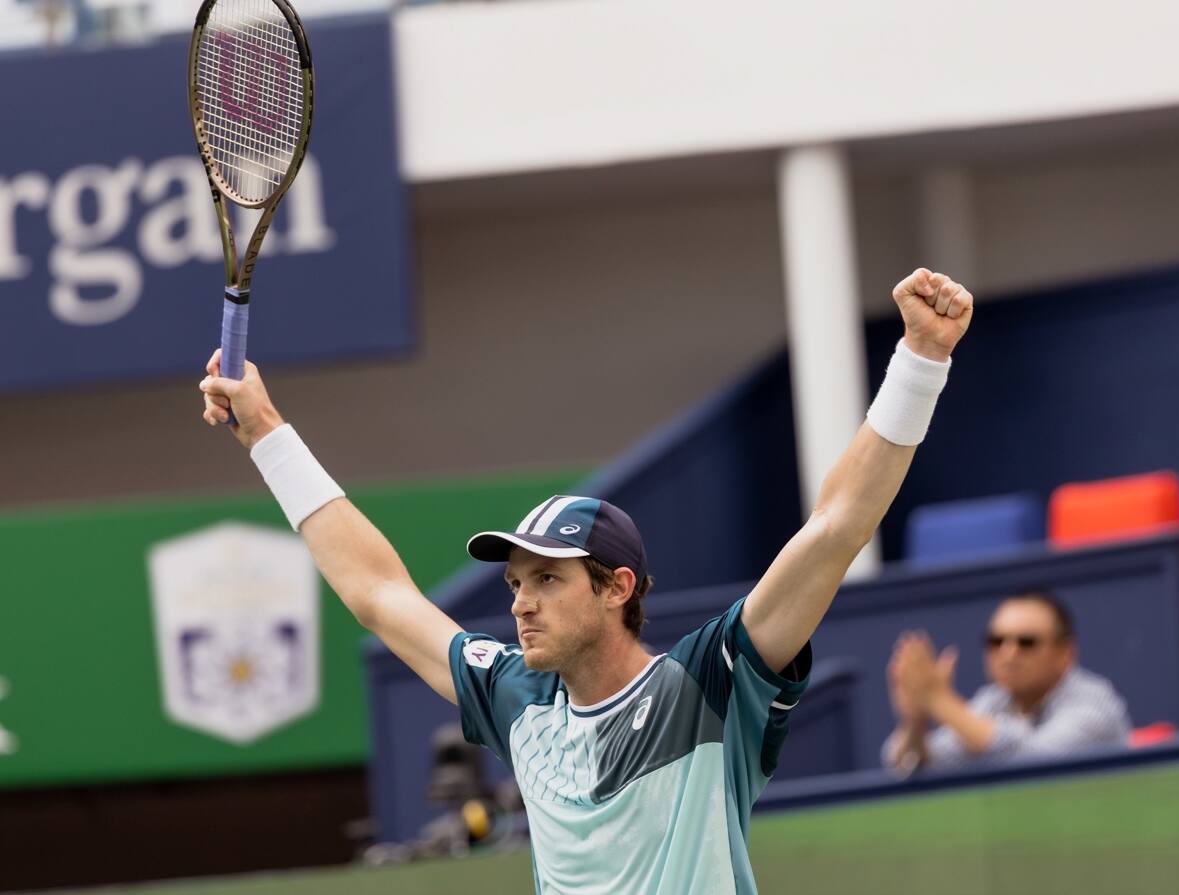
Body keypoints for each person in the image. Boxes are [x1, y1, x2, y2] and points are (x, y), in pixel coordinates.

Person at [198, 268, 973, 895]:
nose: (520, 602)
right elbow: (379, 593)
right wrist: (267, 432)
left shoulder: (708, 683)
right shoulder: (519, 699)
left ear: (616, 587)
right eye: (513, 582)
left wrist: (919, 362)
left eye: (545, 578)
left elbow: (835, 526)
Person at [883, 591, 1131, 773]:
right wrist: (915, 724)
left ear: (1065, 653)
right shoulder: (993, 701)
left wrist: (939, 701)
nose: (1008, 653)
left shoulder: (1095, 703)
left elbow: (1035, 763)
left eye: (1026, 642)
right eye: (996, 641)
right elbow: (913, 762)